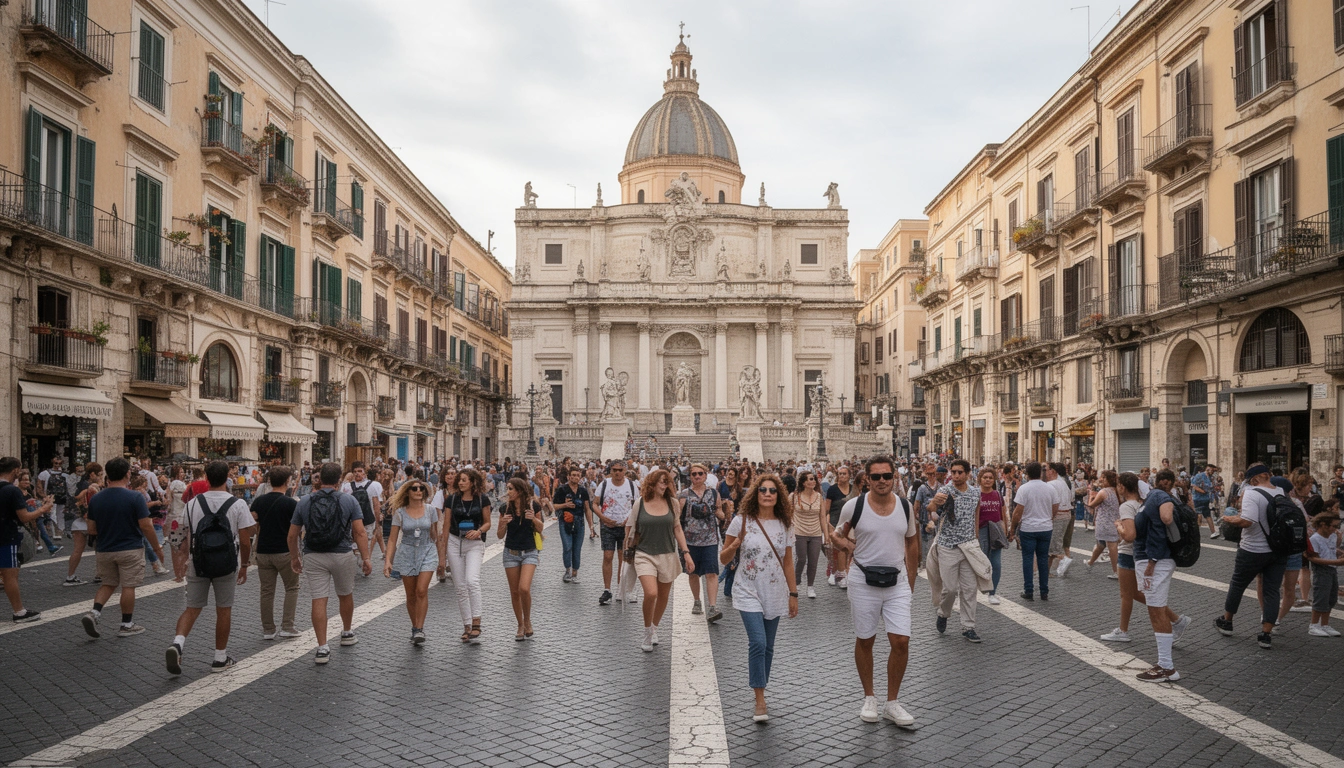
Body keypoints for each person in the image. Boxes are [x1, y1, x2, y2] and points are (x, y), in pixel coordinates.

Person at [830, 456, 917, 728]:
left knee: (901, 641)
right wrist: (848, 547)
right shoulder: (853, 506)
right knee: (866, 640)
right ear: (867, 478)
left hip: (897, 581)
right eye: (876, 476)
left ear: (895, 477)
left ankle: (892, 702)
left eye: (887, 476)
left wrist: (911, 581)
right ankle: (869, 697)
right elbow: (836, 535)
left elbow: (912, 543)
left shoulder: (905, 507)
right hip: (863, 580)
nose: (882, 481)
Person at [165, 460, 255, 675]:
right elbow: (245, 538)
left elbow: (181, 534)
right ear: (227, 478)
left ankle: (177, 643)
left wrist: (184, 559)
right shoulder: (238, 504)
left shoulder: (193, 504)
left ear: (206, 478)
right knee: (223, 609)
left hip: (199, 562)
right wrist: (244, 565)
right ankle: (219, 657)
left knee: (192, 607)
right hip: (226, 563)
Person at [720, 473, 797, 722]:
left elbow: (788, 562)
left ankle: (761, 687)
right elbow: (722, 558)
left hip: (774, 590)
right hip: (747, 589)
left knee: (769, 647)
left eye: (772, 491)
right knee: (758, 643)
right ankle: (759, 699)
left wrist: (794, 593)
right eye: (763, 490)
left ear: (779, 496)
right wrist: (733, 548)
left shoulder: (785, 524)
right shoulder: (741, 521)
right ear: (755, 493)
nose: (767, 494)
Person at [289, 462, 371, 665]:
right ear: (339, 480)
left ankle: (322, 647)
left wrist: (294, 557)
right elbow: (360, 532)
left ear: (319, 479)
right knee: (345, 595)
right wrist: (366, 558)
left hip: (314, 555)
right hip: (342, 554)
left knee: (319, 599)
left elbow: (292, 535)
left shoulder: (305, 501)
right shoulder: (349, 500)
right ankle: (347, 632)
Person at [80, 458, 165, 639]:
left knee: (108, 583)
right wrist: (157, 548)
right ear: (127, 474)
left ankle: (94, 613)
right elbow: (146, 526)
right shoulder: (135, 497)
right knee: (128, 585)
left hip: (104, 548)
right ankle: (126, 624)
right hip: (130, 548)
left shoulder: (96, 498)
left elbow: (91, 529)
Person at [1216, 463, 1290, 650]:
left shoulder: (1252, 493)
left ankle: (1227, 622)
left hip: (1253, 549)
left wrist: (1228, 518)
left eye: (1250, 481)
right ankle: (1266, 634)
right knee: (1272, 591)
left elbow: (1247, 521)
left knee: (1238, 584)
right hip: (1278, 550)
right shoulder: (1281, 491)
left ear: (1255, 479)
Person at [628, 469, 697, 652]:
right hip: (644, 554)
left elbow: (677, 529)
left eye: (666, 481)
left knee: (664, 596)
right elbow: (631, 528)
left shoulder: (673, 503)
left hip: (667, 553)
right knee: (651, 593)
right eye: (660, 481)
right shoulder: (640, 503)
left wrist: (686, 552)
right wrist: (627, 549)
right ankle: (646, 632)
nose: (664, 484)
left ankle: (654, 627)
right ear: (651, 483)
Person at [1132, 469, 1186, 682]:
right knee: (1156, 608)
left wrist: (1153, 560)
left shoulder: (1158, 496)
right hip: (1154, 559)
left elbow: (1164, 519)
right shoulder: (1155, 497)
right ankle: (1165, 664)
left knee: (1156, 611)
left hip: (1156, 560)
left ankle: (1167, 667)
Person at [929, 459, 984, 642]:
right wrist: (933, 503)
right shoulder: (945, 490)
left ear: (968, 474)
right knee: (950, 589)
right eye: (953, 472)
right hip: (947, 546)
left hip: (968, 546)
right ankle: (943, 613)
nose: (956, 475)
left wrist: (976, 539)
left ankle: (968, 626)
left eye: (960, 472)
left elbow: (975, 516)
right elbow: (931, 509)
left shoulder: (976, 493)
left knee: (969, 589)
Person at [383, 478, 440, 644]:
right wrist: (388, 561)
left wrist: (441, 558)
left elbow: (435, 535)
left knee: (421, 590)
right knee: (411, 595)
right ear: (407, 491)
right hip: (407, 552)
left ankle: (420, 629)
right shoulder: (399, 512)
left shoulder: (430, 510)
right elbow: (392, 540)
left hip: (427, 550)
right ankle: (414, 626)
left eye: (421, 488)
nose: (418, 491)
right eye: (414, 488)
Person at [250, 467, 301, 640]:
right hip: (284, 551)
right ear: (287, 481)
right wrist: (296, 555)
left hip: (263, 551)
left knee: (266, 591)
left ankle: (268, 629)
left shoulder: (259, 501)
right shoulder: (291, 503)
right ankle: (287, 626)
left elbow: (252, 525)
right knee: (292, 588)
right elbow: (296, 532)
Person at [443, 468, 491, 643]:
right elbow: (446, 526)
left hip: (475, 543)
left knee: (472, 580)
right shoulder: (452, 499)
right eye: (459, 480)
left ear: (472, 482)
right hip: (455, 542)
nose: (461, 482)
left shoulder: (482, 499)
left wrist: (478, 531)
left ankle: (477, 621)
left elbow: (488, 523)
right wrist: (442, 557)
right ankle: (467, 626)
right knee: (460, 586)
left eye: (464, 480)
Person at [497, 477, 544, 641]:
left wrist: (534, 519)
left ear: (519, 491)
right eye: (507, 488)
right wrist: (502, 523)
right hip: (511, 552)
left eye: (510, 489)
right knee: (515, 592)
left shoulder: (533, 506)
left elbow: (541, 528)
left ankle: (528, 620)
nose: (507, 492)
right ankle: (520, 624)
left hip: (530, 551)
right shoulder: (504, 508)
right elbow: (499, 535)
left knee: (524, 588)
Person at [0, 457, 44, 622]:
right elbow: (24, 517)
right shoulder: (12, 491)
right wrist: (43, 510)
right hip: (6, 536)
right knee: (10, 576)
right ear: (15, 471)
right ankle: (19, 612)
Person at [679, 464, 724, 622]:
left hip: (710, 539)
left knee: (712, 573)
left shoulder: (713, 492)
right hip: (690, 540)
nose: (697, 476)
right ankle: (697, 600)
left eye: (700, 474)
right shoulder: (683, 495)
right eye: (694, 474)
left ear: (705, 475)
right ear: (690, 476)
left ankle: (712, 607)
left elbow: (718, 510)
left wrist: (725, 514)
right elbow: (679, 520)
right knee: (694, 573)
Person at [594, 461, 640, 606]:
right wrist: (602, 517)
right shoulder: (604, 484)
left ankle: (622, 588)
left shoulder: (632, 486)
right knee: (607, 555)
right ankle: (607, 589)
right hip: (608, 526)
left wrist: (629, 519)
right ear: (611, 470)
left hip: (625, 527)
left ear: (625, 470)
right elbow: (595, 503)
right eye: (615, 470)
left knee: (623, 558)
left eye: (620, 470)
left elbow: (637, 506)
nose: (617, 473)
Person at [1008, 462, 1054, 600]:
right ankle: (1044, 591)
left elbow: (1017, 512)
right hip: (1046, 527)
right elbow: (1056, 506)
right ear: (1041, 473)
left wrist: (1012, 529)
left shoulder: (1024, 489)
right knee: (1043, 558)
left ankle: (1029, 590)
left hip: (1028, 528)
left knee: (1028, 559)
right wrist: (1048, 517)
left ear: (1027, 474)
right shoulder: (1049, 488)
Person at [1305, 513, 1342, 636]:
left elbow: (1332, 549)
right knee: (1321, 597)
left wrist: (1338, 553)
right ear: (1323, 525)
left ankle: (1324, 624)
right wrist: (1336, 562)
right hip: (1321, 571)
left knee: (1331, 598)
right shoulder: (1314, 539)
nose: (1335, 529)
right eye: (1333, 526)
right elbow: (1313, 558)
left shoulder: (1332, 536)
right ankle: (1314, 624)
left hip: (1332, 570)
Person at [974, 467, 1005, 605]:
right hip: (980, 530)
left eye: (990, 478)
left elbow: (1003, 512)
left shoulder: (997, 494)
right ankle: (971, 591)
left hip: (996, 530)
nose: (987, 480)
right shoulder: (975, 494)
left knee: (996, 564)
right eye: (985, 477)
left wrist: (1006, 529)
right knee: (978, 562)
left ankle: (992, 592)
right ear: (980, 479)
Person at [553, 467, 590, 584]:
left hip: (579, 522)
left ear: (580, 477)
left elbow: (587, 509)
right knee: (567, 546)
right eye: (573, 475)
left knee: (577, 548)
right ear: (569, 476)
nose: (575, 477)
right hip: (565, 521)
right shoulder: (562, 489)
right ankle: (567, 570)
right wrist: (565, 505)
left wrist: (591, 526)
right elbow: (554, 506)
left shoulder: (583, 491)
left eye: (577, 475)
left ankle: (575, 573)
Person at [342, 462, 382, 565]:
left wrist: (377, 521)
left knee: (366, 538)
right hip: (352, 519)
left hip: (368, 518)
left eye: (360, 471)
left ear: (365, 473)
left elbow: (376, 504)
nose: (357, 474)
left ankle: (363, 559)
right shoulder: (347, 487)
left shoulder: (373, 486)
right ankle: (362, 558)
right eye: (355, 472)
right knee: (354, 538)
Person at [825, 465, 858, 585]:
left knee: (847, 549)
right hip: (835, 522)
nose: (842, 476)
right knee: (836, 550)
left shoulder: (854, 489)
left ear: (849, 475)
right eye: (840, 474)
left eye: (844, 473)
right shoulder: (832, 489)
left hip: (850, 523)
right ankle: (836, 573)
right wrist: (827, 525)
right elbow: (827, 509)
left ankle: (844, 573)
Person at [1085, 471, 1122, 579]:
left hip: (1104, 522)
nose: (1101, 480)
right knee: (1101, 544)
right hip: (1115, 520)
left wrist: (1091, 497)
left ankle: (1116, 571)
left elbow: (1091, 505)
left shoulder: (1103, 492)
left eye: (1103, 478)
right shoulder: (1117, 491)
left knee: (1111, 546)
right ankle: (1090, 563)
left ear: (1107, 480)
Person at [1046, 463, 1074, 578]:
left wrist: (1050, 517)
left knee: (1053, 546)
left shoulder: (1051, 484)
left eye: (1047, 470)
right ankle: (1046, 572)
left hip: (1058, 515)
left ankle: (1064, 559)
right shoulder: (1064, 483)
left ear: (1053, 471)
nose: (1045, 472)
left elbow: (1052, 503)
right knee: (1054, 544)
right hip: (1066, 514)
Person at [36, 456, 71, 541]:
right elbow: (39, 487)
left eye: (59, 463)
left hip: (62, 498)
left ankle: (60, 531)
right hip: (50, 497)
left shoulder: (65, 475)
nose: (57, 465)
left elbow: (69, 488)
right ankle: (55, 531)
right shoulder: (44, 474)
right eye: (56, 463)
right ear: (52, 462)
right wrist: (44, 497)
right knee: (52, 514)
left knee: (60, 515)